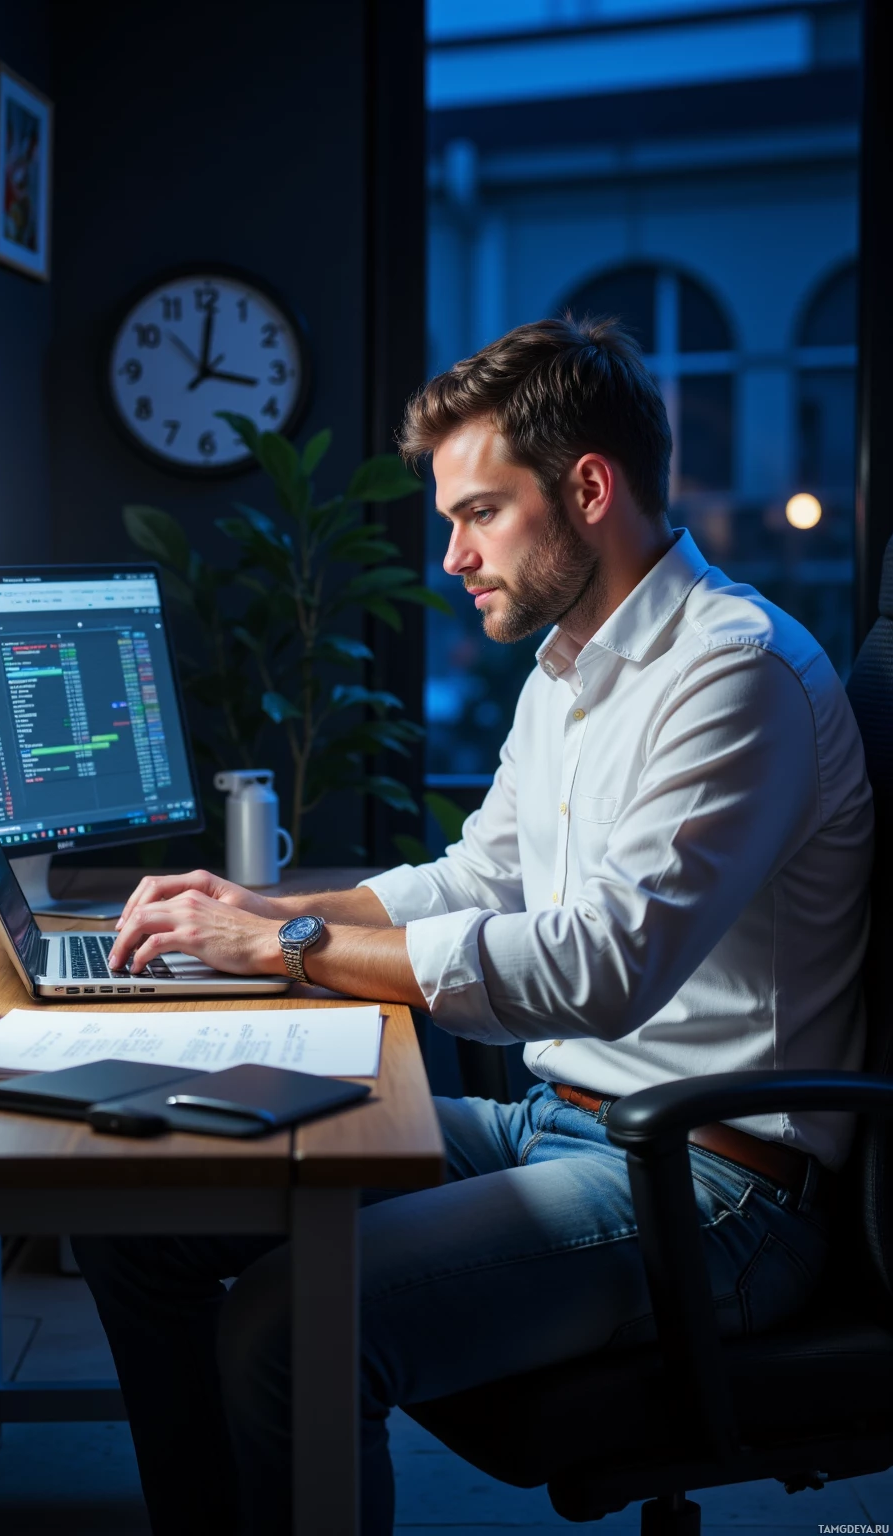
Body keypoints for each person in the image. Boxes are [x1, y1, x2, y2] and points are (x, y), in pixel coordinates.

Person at [73, 316, 873, 1536]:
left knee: (289, 1324)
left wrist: (287, 953)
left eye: (479, 513)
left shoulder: (736, 673)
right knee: (141, 1219)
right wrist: (263, 909)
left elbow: (604, 970)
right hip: (554, 1125)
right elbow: (478, 875)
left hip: (711, 1190)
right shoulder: (571, 664)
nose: (451, 554)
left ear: (589, 488)